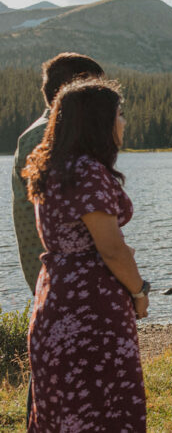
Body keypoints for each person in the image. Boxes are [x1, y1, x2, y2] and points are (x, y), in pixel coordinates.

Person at [22, 78, 149, 432]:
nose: (123, 122)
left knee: (63, 409)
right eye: (119, 114)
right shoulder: (87, 171)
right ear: (99, 122)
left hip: (55, 297)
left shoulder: (49, 167)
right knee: (102, 407)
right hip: (91, 310)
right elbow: (111, 249)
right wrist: (139, 293)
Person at [10, 52, 104, 428]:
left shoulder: (51, 133)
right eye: (96, 90)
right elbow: (72, 214)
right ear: (73, 92)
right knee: (56, 365)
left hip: (56, 269)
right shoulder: (49, 136)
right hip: (59, 270)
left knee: (58, 361)